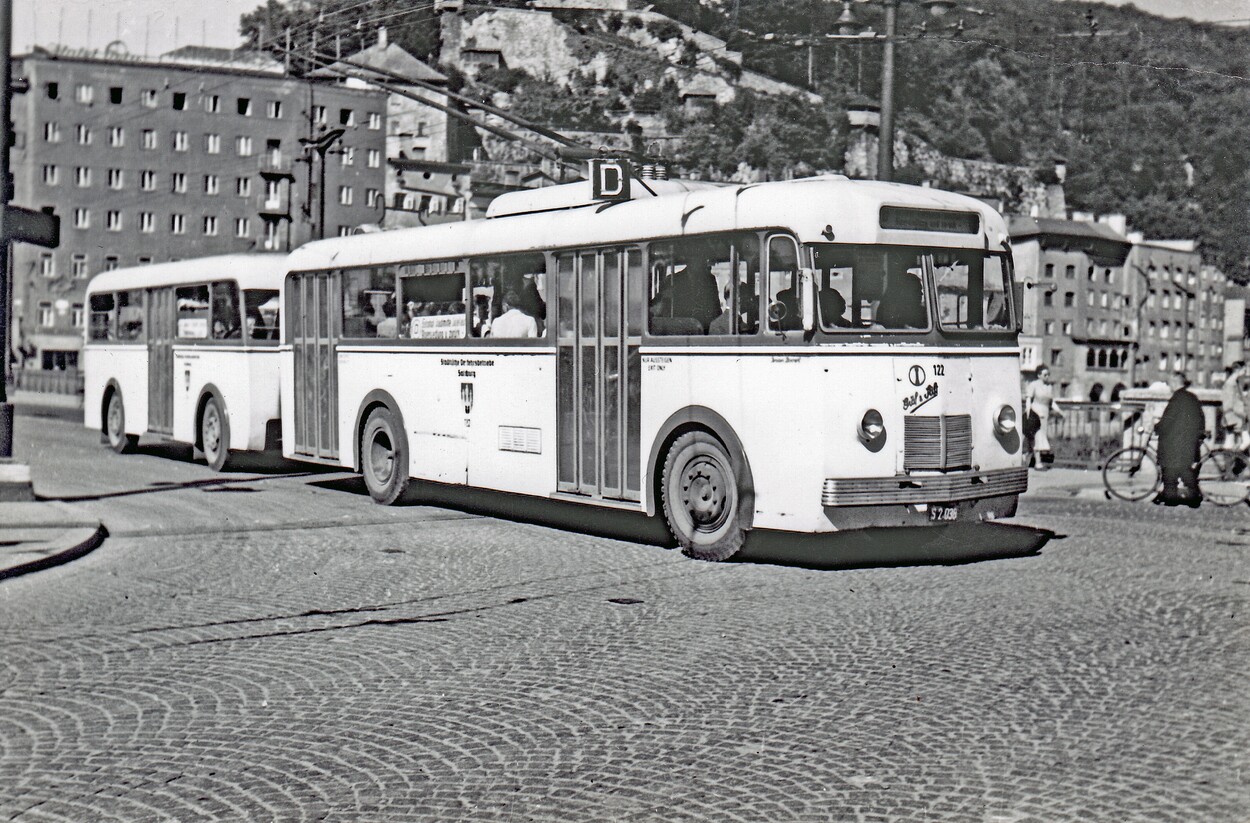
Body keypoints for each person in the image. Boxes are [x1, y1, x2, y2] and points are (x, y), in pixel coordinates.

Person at [1154, 371, 1204, 507]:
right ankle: (1193, 496)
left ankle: (1171, 498)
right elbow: (1201, 418)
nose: (1168, 385)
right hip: (1188, 442)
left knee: (1170, 470)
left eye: (1170, 382)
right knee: (1184, 469)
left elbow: (1167, 420)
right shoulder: (1192, 397)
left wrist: (1157, 427)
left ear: (1175, 382)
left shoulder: (1176, 399)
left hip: (1174, 443)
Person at [1024, 366, 1062, 470]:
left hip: (1045, 414)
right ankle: (1038, 462)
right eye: (1045, 375)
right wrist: (1028, 413)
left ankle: (1029, 459)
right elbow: (1028, 399)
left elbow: (1051, 402)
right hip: (1036, 412)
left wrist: (1059, 411)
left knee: (1040, 437)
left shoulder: (1049, 386)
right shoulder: (1033, 385)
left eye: (1048, 374)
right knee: (1037, 437)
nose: (1047, 377)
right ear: (1039, 375)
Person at [1220, 361, 1249, 451]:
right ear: (1237, 370)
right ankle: (1236, 456)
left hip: (1235, 418)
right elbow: (1228, 404)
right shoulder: (1230, 384)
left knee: (1230, 444)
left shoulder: (1234, 383)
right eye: (1244, 369)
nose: (1245, 371)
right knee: (1244, 441)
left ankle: (1235, 457)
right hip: (1233, 419)